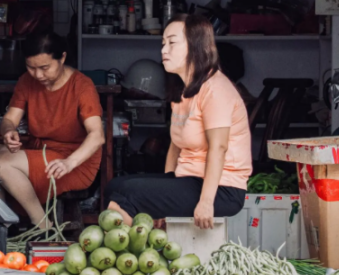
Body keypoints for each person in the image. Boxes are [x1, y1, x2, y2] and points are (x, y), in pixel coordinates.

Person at [106, 14, 251, 229]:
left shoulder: (216, 88)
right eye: (163, 43)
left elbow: (218, 147)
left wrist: (206, 202)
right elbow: (176, 146)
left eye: (172, 43)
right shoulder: (184, 91)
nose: (164, 50)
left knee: (130, 195)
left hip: (222, 189)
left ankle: (125, 257)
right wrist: (164, 192)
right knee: (116, 186)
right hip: (189, 179)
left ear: (196, 47)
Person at [0, 32, 105, 228]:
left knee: (1, 163)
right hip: (39, 150)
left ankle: (42, 225)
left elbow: (97, 136)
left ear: (62, 58)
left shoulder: (82, 86)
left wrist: (69, 163)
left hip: (72, 159)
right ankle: (0, 221)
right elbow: (9, 119)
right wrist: (8, 131)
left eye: (45, 68)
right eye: (31, 67)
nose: (38, 75)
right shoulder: (27, 81)